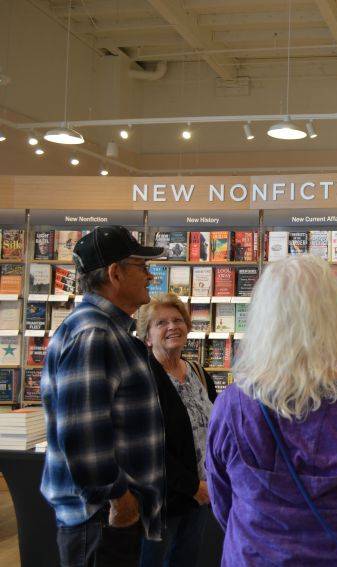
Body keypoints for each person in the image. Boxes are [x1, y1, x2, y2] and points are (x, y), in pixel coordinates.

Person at [206, 255, 337, 566]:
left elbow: (221, 502)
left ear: (264, 320)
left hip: (256, 556)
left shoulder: (232, 405)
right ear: (335, 318)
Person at [40, 226, 166, 566]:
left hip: (107, 516)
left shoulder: (106, 330)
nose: (150, 276)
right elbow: (83, 433)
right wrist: (118, 499)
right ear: (115, 273)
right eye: (141, 266)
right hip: (101, 518)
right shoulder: (94, 333)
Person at [137, 293, 217, 567]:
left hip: (200, 497)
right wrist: (192, 487)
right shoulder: (143, 379)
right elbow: (147, 445)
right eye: (161, 323)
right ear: (147, 337)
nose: (172, 326)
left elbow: (215, 428)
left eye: (178, 320)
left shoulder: (199, 373)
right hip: (162, 500)